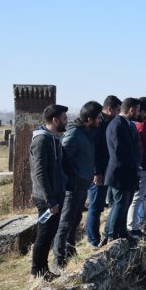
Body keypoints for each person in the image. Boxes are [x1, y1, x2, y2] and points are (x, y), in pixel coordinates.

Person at [54, 101, 102, 268]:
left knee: (75, 220)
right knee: (65, 222)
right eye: (98, 118)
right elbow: (64, 158)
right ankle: (59, 260)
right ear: (89, 119)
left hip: (83, 184)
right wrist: (73, 177)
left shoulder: (86, 132)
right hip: (73, 186)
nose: (100, 121)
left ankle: (70, 250)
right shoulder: (74, 134)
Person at [30, 104, 68, 280]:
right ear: (55, 120)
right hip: (46, 197)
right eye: (64, 118)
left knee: (50, 233)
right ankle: (36, 271)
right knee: (44, 234)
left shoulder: (54, 138)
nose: (66, 121)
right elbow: (40, 173)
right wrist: (50, 200)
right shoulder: (42, 140)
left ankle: (44, 270)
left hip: (56, 193)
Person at [105, 98, 142, 243]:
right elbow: (121, 152)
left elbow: (134, 148)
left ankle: (121, 232)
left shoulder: (126, 125)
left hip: (128, 172)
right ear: (132, 109)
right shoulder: (117, 125)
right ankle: (112, 236)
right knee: (120, 204)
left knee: (124, 204)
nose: (139, 113)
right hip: (120, 173)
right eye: (138, 110)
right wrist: (134, 165)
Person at [86, 95, 121, 249]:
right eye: (117, 110)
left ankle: (97, 236)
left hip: (106, 169)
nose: (119, 113)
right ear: (109, 109)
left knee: (99, 205)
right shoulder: (98, 125)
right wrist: (96, 172)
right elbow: (94, 151)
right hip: (98, 171)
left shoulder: (108, 123)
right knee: (95, 205)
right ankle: (92, 239)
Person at [128, 97, 146, 238]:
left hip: (141, 165)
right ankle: (132, 227)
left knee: (137, 197)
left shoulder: (141, 123)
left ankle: (133, 225)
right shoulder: (143, 125)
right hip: (143, 166)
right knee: (138, 197)